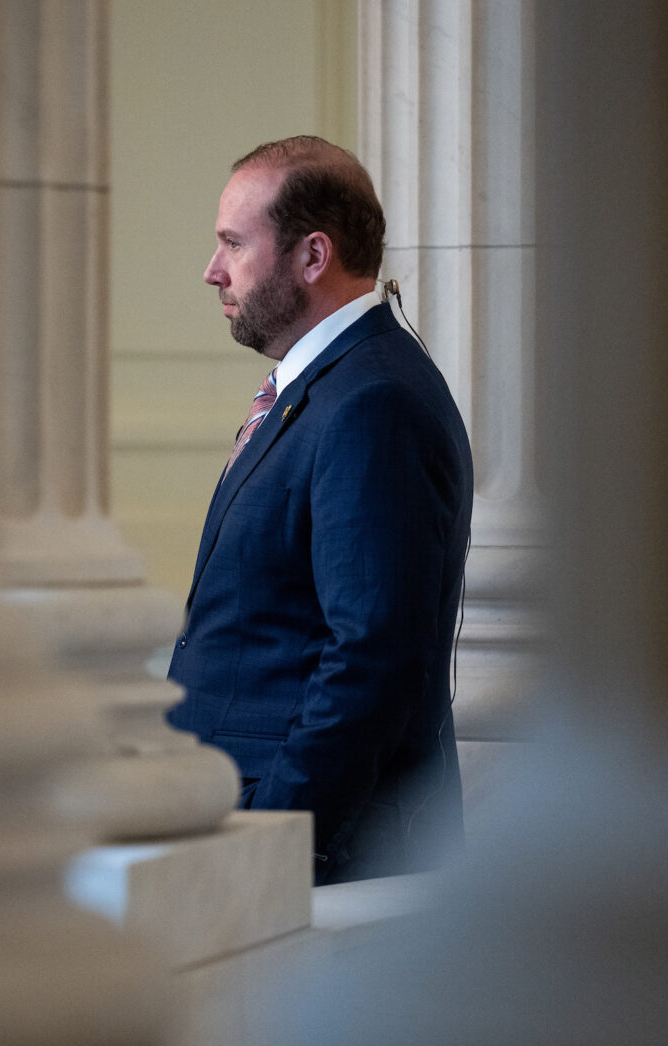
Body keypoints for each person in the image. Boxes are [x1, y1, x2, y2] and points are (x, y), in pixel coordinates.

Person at [165, 136, 473, 884]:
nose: (212, 271)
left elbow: (370, 658)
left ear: (313, 256)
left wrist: (273, 839)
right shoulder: (329, 387)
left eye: (234, 244)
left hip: (321, 855)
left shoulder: (373, 401)